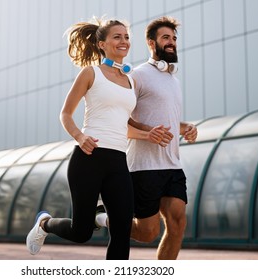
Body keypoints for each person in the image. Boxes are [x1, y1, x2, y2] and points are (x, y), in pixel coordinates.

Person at [26, 16, 165, 260]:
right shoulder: (91, 73)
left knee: (122, 232)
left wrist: (147, 133)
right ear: (102, 44)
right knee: (81, 232)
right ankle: (44, 224)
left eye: (126, 37)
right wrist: (80, 137)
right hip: (88, 158)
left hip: (118, 162)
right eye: (117, 37)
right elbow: (65, 114)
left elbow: (123, 125)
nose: (123, 41)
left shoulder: (131, 81)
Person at [95, 16, 198, 260]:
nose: (172, 42)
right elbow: (120, 117)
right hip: (143, 167)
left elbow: (166, 120)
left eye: (174, 38)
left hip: (172, 165)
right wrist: (147, 132)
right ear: (151, 43)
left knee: (177, 225)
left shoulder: (174, 81)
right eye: (166, 38)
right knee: (147, 232)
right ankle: (103, 218)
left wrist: (186, 127)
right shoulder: (138, 76)